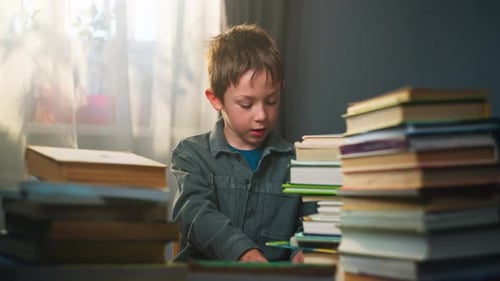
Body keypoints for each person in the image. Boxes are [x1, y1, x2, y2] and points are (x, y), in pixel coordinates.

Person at [170, 23, 316, 262]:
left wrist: (304, 250)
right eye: (246, 104)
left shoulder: (298, 161)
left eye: (271, 101)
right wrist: (241, 250)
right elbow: (193, 213)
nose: (261, 115)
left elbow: (312, 222)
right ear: (216, 99)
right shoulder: (191, 154)